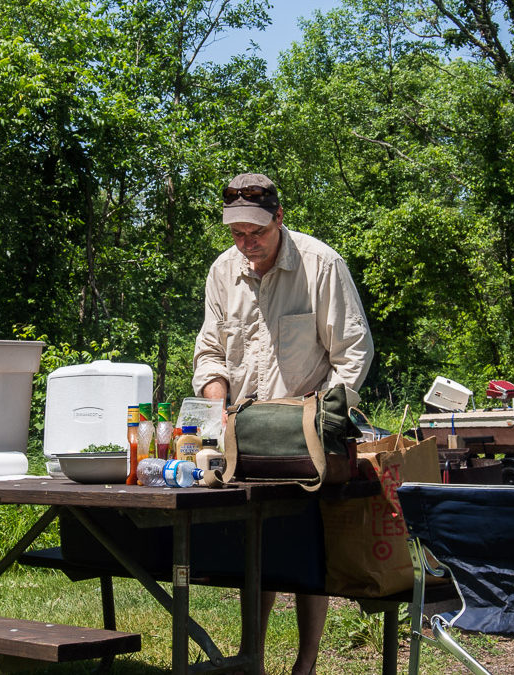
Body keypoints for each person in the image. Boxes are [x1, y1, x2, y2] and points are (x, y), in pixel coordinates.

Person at [192, 172, 374, 675]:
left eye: (257, 233)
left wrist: (323, 418)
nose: (247, 244)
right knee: (256, 551)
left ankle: (306, 665)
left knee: (303, 555)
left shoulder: (321, 264)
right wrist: (216, 405)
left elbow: (353, 353)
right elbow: (210, 352)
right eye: (237, 234)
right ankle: (253, 660)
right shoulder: (222, 271)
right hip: (243, 433)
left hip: (306, 434)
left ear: (279, 218)